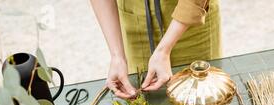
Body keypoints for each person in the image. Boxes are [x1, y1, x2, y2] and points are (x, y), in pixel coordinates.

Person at [90, 0, 221, 99]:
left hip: (191, 18)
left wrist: (163, 50)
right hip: (135, 23)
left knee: (202, 102)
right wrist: (117, 55)